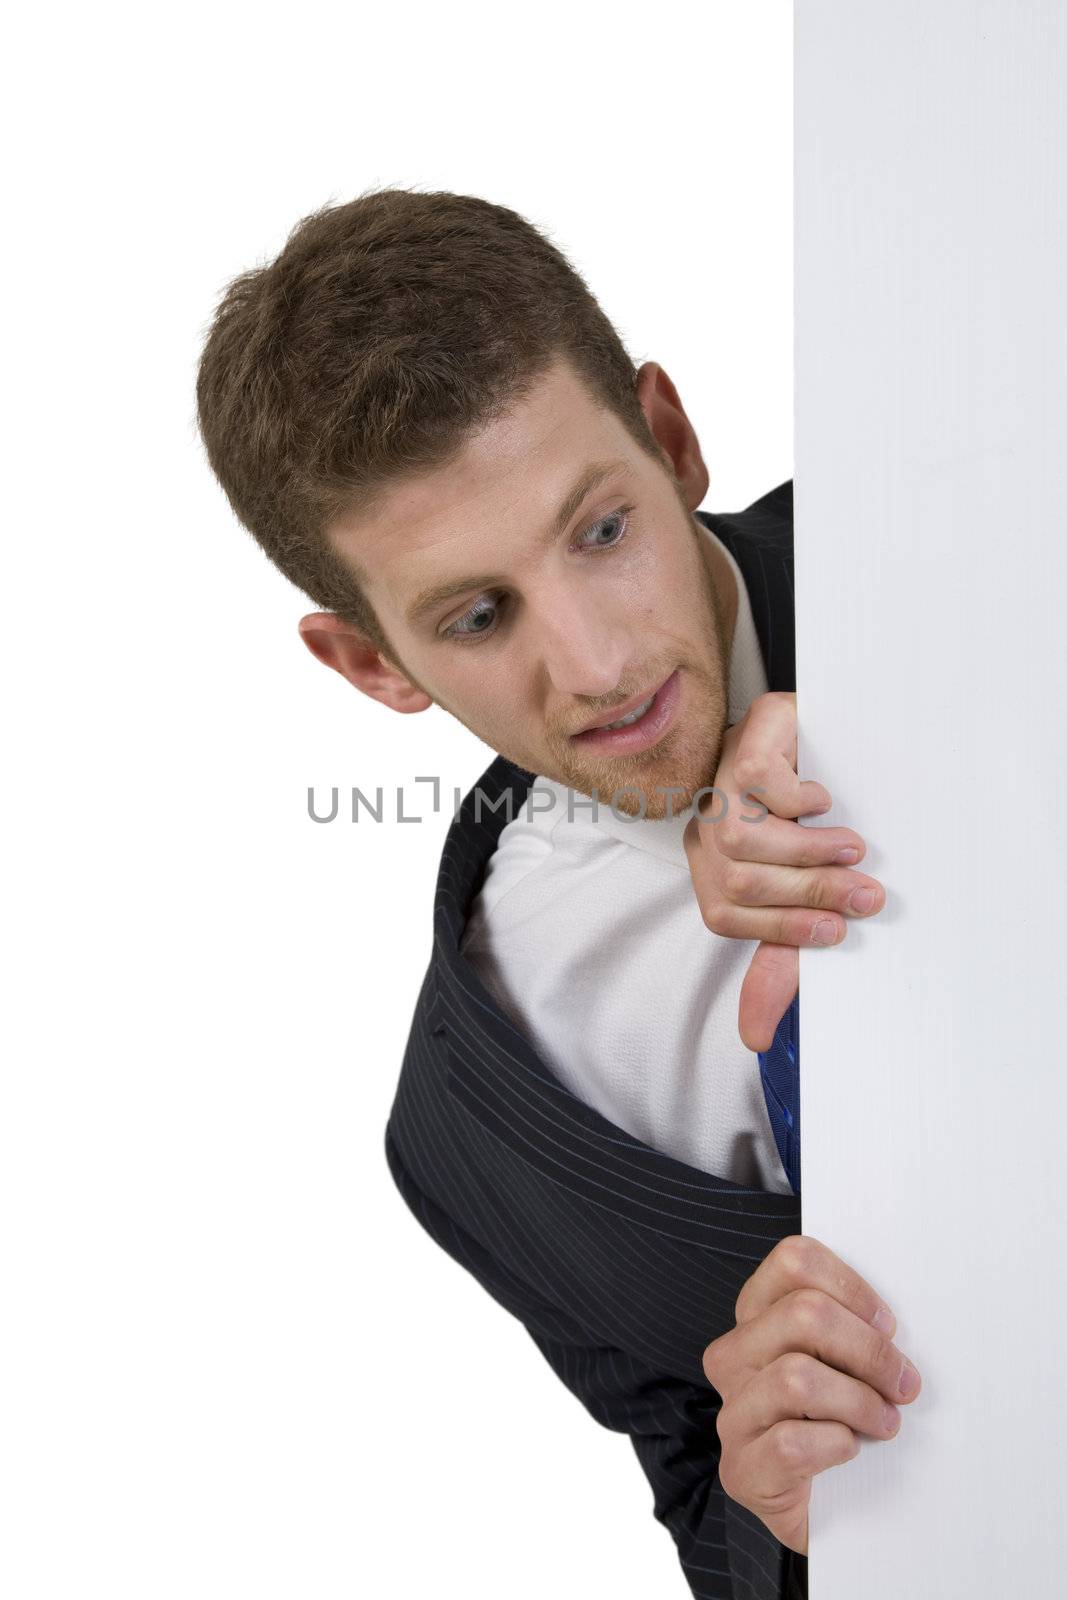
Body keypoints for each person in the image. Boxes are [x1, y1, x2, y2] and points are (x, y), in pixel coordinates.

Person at [195, 186, 922, 1600]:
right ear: (371, 664)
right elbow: (713, 1522)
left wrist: (914, 745)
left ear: (669, 438)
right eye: (478, 614)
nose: (598, 666)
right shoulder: (465, 1142)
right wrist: (781, 1517)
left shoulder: (986, 535)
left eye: (600, 530)